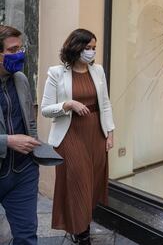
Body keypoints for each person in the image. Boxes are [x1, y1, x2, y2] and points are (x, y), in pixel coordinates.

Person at [41, 29, 115, 245]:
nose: (91, 52)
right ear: (76, 47)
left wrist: (110, 132)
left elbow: (106, 104)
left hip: (95, 134)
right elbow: (45, 109)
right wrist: (68, 104)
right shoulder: (56, 73)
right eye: (87, 48)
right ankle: (82, 234)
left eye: (94, 48)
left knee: (91, 183)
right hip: (70, 134)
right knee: (78, 182)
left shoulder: (98, 71)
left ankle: (82, 224)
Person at [0, 25, 40, 245]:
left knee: (26, 236)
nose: (20, 54)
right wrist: (8, 141)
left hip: (23, 172)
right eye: (13, 50)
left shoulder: (21, 79)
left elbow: (30, 119)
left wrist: (34, 147)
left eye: (21, 48)